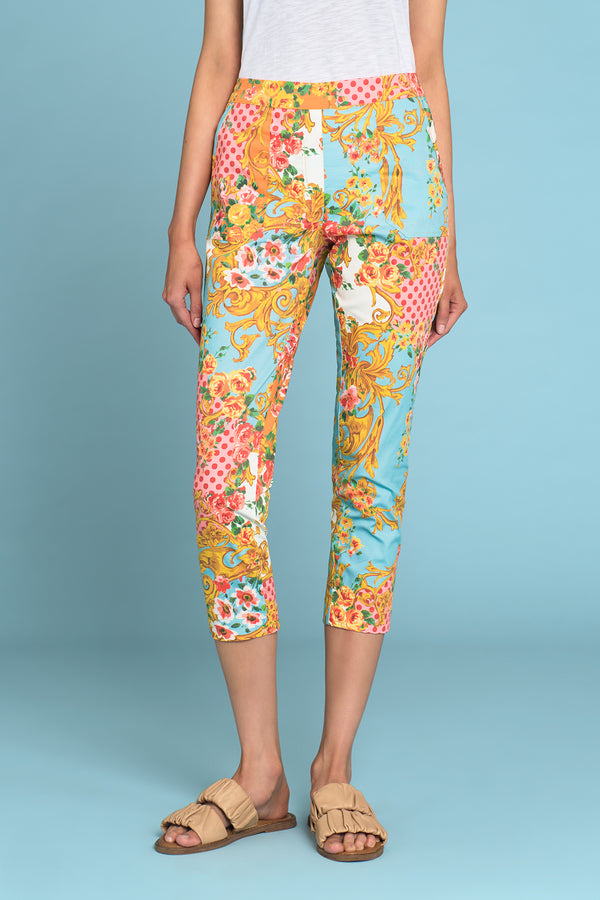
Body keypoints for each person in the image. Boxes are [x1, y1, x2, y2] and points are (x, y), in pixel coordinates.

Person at [156, 0, 467, 862]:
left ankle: (335, 764)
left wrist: (448, 241)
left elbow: (428, 63)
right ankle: (260, 774)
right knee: (225, 477)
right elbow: (218, 56)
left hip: (393, 158)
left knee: (372, 474)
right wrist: (181, 229)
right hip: (259, 152)